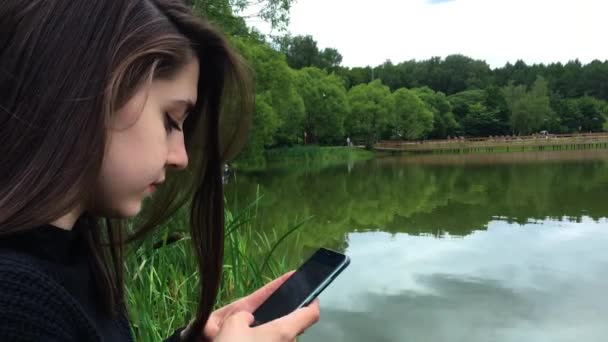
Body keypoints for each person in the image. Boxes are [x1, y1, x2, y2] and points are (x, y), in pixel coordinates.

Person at [0, 1, 319, 341]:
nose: (181, 157)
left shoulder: (73, 256)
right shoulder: (15, 304)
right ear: (88, 89)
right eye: (170, 120)